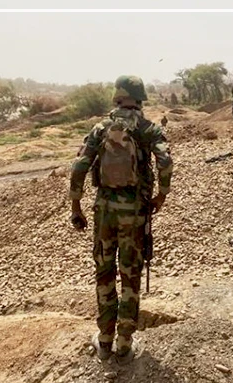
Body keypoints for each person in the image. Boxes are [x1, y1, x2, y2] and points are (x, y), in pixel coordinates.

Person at [69, 75, 173, 360]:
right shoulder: (146, 128)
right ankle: (125, 342)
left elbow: (79, 166)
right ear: (139, 100)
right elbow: (165, 160)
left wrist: (76, 206)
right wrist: (161, 195)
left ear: (116, 98)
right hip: (135, 213)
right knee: (130, 274)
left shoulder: (100, 128)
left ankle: (104, 340)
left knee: (104, 272)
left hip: (104, 211)